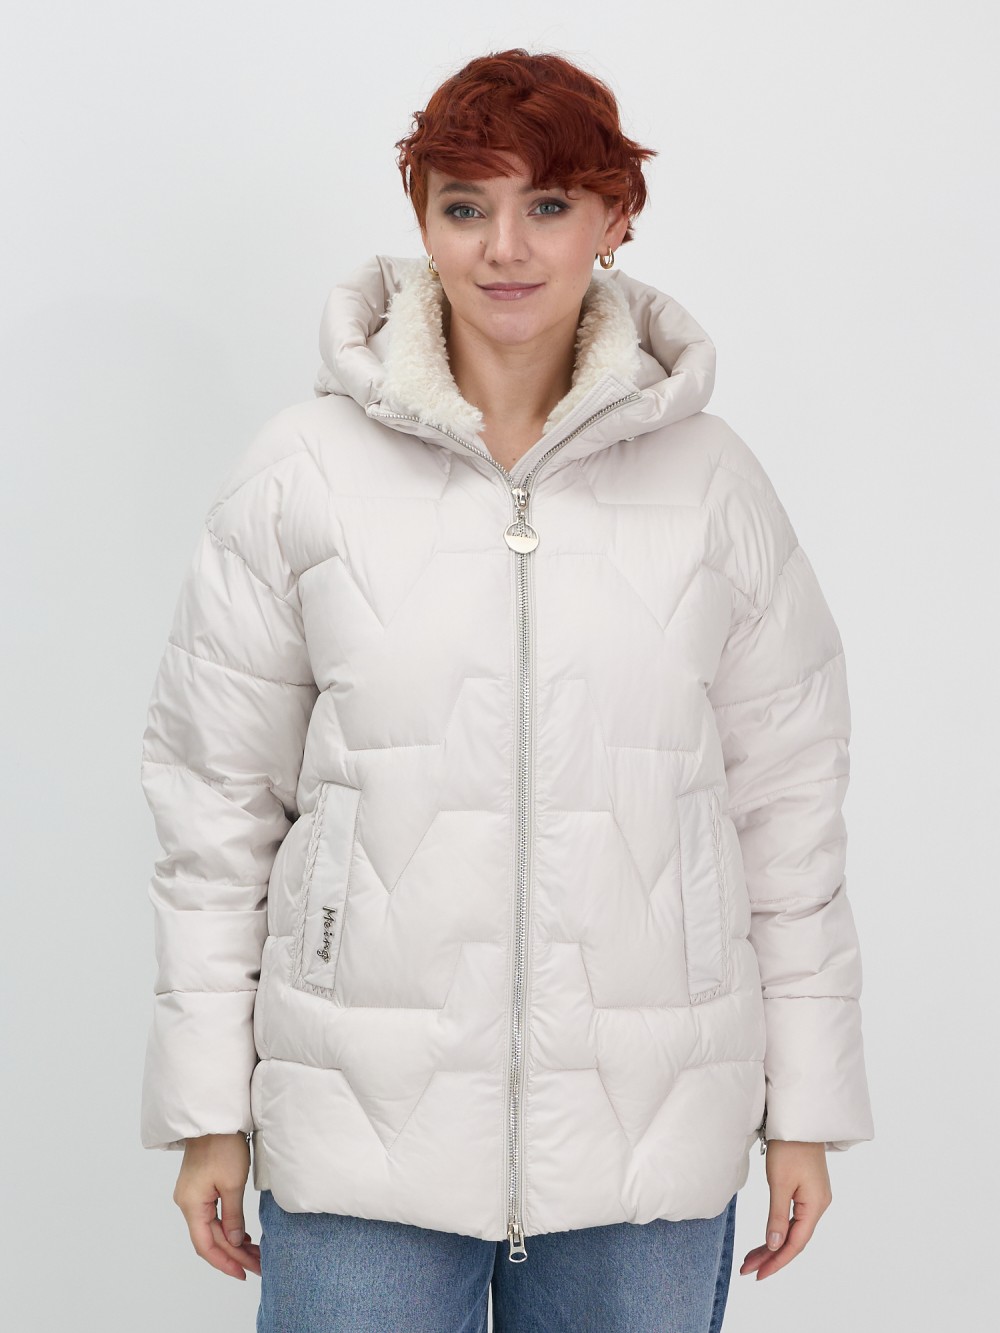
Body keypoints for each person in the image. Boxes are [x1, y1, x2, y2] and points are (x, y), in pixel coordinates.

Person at [138, 48, 875, 1333]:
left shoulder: (711, 485)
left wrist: (802, 1109)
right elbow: (215, 808)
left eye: (547, 203)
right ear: (421, 219)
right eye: (464, 206)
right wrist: (207, 1107)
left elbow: (788, 812)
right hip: (359, 1122)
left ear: (613, 217)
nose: (504, 248)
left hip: (649, 1128)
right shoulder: (303, 471)